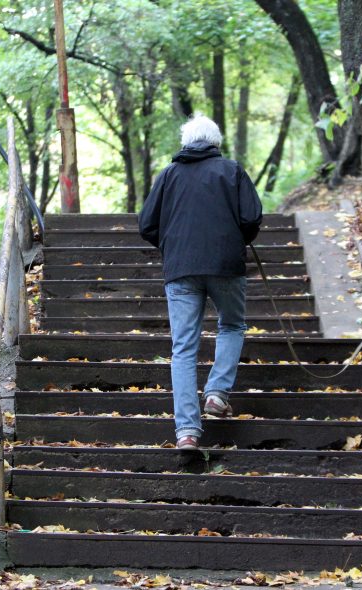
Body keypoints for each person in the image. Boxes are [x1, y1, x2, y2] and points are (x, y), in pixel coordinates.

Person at [139, 113, 263, 450]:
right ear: (215, 143)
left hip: (180, 269)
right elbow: (252, 217)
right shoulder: (232, 171)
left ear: (185, 142)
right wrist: (237, 238)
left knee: (182, 349)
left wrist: (172, 245)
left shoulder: (168, 176)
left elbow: (147, 224)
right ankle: (217, 392)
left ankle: (188, 433)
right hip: (226, 264)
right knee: (233, 325)